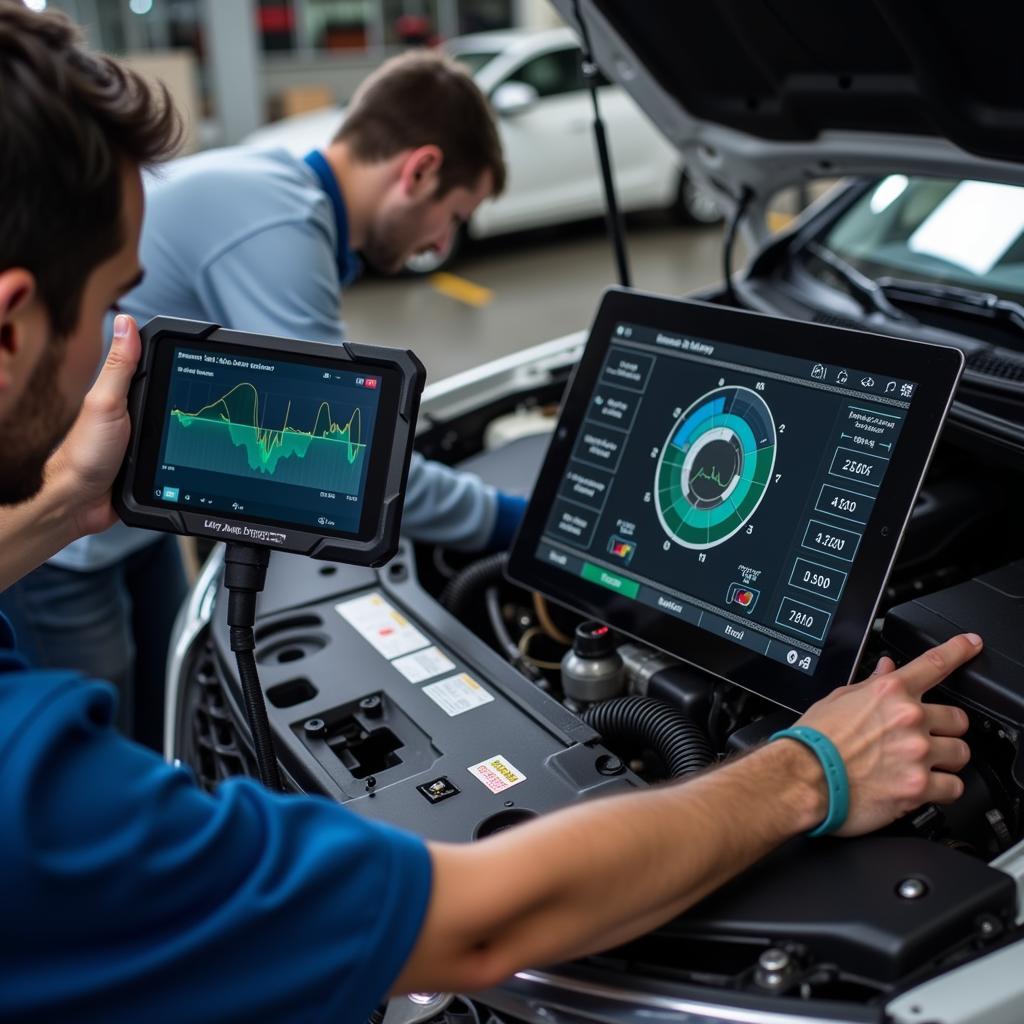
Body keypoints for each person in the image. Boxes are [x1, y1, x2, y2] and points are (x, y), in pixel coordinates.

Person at [0, 6, 981, 1020]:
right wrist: (809, 769)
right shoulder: (41, 801)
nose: (126, 348)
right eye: (121, 308)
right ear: (11, 324)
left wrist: (60, 507)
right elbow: (474, 925)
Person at [0, 48, 524, 750]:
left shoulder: (274, 187)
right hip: (56, 539)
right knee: (98, 749)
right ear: (419, 169)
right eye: (453, 215)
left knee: (166, 720)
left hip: (116, 511)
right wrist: (507, 519)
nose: (442, 241)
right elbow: (343, 464)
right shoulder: (279, 225)